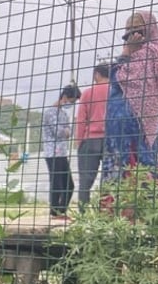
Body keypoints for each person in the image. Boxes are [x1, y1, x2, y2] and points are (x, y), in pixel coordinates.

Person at [102, 11, 158, 187]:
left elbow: (121, 79)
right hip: (119, 125)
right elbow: (115, 81)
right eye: (128, 29)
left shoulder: (153, 52)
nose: (132, 33)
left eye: (137, 29)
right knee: (120, 171)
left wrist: (128, 53)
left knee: (146, 171)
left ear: (149, 29)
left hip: (143, 126)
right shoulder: (128, 54)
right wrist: (127, 53)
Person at [42, 85, 81, 219]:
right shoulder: (50, 112)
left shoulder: (63, 114)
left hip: (62, 152)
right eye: (71, 101)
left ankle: (61, 211)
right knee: (57, 184)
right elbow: (59, 132)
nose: (71, 104)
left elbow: (68, 132)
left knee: (69, 185)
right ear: (64, 97)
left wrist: (66, 131)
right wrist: (66, 131)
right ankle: (54, 213)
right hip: (52, 153)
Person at [74, 66, 110, 210]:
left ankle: (83, 213)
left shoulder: (88, 93)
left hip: (90, 138)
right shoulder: (116, 91)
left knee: (86, 180)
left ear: (97, 74)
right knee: (109, 178)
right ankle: (106, 211)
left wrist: (79, 140)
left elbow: (81, 119)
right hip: (111, 139)